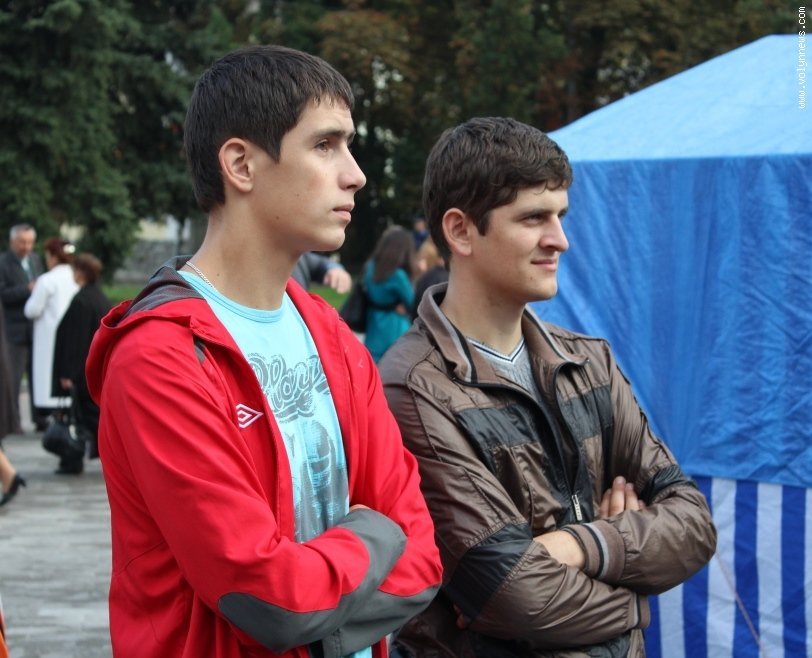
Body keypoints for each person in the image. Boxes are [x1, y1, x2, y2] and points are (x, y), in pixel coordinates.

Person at [86, 45, 442, 658]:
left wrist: (318, 617)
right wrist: (374, 535)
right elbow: (269, 598)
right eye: (325, 145)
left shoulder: (330, 334)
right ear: (241, 165)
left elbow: (424, 558)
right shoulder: (159, 357)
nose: (355, 174)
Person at [379, 117, 717, 657]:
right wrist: (634, 601)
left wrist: (582, 544)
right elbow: (511, 593)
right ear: (461, 231)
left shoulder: (589, 361)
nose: (560, 239)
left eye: (560, 215)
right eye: (534, 217)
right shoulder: (415, 387)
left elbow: (694, 524)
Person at [51, 254, 111, 474]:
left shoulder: (82, 301)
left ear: (81, 272)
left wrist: (68, 373)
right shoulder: (98, 298)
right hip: (94, 368)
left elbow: (75, 341)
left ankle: (74, 458)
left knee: (83, 418)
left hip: (82, 371)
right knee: (88, 417)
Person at [23, 238, 78, 419]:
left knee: (48, 378)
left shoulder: (46, 280)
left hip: (49, 336)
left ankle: (54, 416)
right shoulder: (75, 277)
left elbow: (31, 310)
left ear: (53, 257)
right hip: (71, 336)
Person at [0, 224, 44, 432]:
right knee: (14, 378)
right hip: (13, 329)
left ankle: (40, 418)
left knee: (37, 376)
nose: (26, 247)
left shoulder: (35, 260)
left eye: (29, 242)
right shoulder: (3, 263)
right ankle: (14, 421)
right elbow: (3, 294)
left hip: (34, 328)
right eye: (22, 242)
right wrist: (26, 290)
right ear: (12, 242)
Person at [361, 227, 416, 362]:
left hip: (373, 328)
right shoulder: (398, 275)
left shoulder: (370, 267)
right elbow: (413, 303)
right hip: (395, 329)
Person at [410, 238, 447, 321]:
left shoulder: (426, 277)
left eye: (426, 259)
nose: (421, 264)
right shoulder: (445, 277)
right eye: (420, 258)